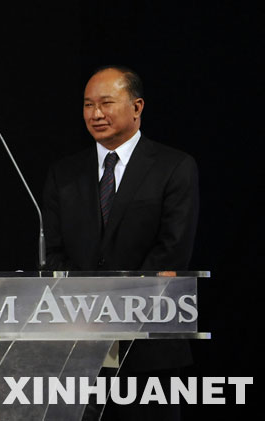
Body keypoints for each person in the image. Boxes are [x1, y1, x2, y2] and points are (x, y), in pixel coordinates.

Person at [42, 65, 199, 421]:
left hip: (149, 350)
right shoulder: (63, 174)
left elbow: (172, 249)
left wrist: (113, 308)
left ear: (137, 107)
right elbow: (52, 253)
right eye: (87, 105)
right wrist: (88, 312)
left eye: (106, 103)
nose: (95, 114)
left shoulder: (174, 167)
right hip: (78, 348)